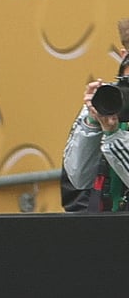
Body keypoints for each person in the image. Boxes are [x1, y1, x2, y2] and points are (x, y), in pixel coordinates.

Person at [62, 53, 129, 211]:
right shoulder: (111, 104)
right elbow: (78, 179)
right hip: (107, 220)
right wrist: (91, 124)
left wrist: (113, 136)